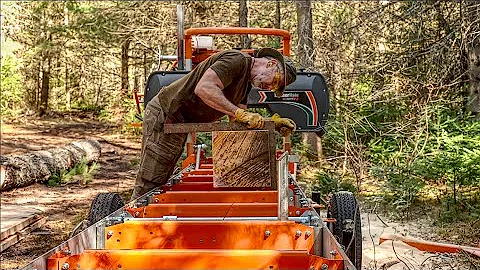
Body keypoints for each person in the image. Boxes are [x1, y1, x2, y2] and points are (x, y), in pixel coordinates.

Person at [131, 48, 297, 199]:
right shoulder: (236, 60)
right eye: (275, 81)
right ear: (271, 63)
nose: (269, 87)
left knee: (163, 176)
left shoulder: (245, 84)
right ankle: (133, 219)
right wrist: (238, 113)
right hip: (166, 112)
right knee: (152, 178)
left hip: (180, 120)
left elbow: (239, 124)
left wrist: (271, 124)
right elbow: (204, 88)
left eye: (275, 88)